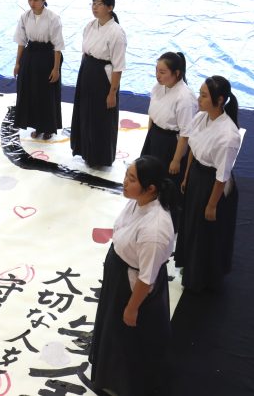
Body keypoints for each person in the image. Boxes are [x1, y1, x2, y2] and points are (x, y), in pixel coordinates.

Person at [89, 155, 176, 396]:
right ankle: (109, 371)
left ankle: (126, 383)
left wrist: (132, 307)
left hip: (133, 284)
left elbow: (147, 278)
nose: (125, 182)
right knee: (112, 326)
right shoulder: (138, 201)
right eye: (127, 175)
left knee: (128, 335)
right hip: (120, 271)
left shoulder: (155, 230)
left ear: (151, 188)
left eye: (132, 179)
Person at [176, 76, 241, 292]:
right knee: (190, 222)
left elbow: (222, 175)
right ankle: (188, 262)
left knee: (206, 230)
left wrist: (212, 204)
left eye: (204, 96)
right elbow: (193, 150)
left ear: (220, 100)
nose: (198, 99)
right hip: (196, 175)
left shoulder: (228, 135)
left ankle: (203, 275)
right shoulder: (200, 118)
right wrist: (186, 176)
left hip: (212, 185)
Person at [70, 0, 127, 167]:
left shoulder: (117, 32)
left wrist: (112, 93)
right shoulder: (89, 26)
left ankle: (100, 157)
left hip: (103, 77)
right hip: (87, 71)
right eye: (93, 3)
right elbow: (84, 52)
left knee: (100, 117)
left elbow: (118, 67)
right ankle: (85, 150)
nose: (95, 7)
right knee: (85, 112)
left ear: (110, 8)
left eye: (99, 4)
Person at [12, 0, 64, 140]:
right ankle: (36, 125)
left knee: (46, 94)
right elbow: (21, 42)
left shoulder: (53, 18)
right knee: (30, 92)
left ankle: (48, 127)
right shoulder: (25, 17)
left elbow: (57, 46)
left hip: (48, 56)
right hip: (31, 55)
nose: (32, 3)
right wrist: (17, 63)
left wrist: (56, 69)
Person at [140, 52, 197, 194]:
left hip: (171, 143)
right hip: (155, 136)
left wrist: (176, 160)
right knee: (148, 175)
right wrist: (150, 137)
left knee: (164, 182)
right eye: (156, 71)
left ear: (176, 73)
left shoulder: (185, 98)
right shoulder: (158, 86)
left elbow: (185, 134)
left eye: (162, 72)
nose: (157, 75)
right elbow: (152, 116)